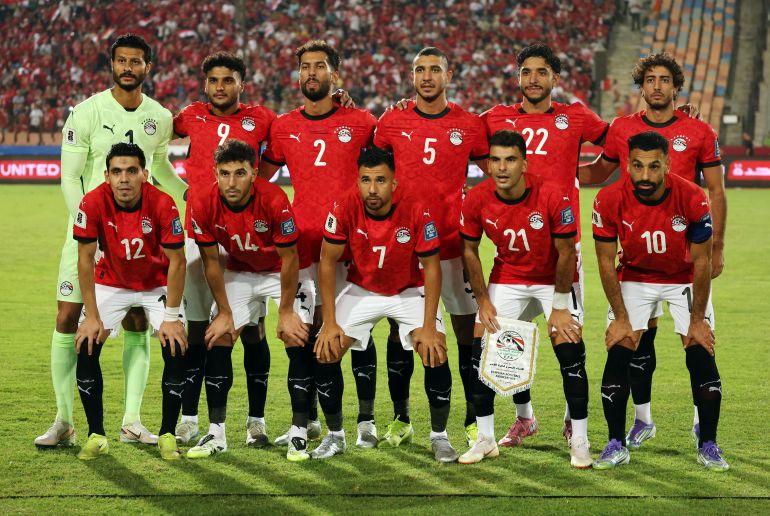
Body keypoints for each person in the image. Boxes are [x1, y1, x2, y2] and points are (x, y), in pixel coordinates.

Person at [36, 33, 188, 449]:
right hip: (88, 235)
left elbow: (162, 170)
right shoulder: (85, 113)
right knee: (68, 317)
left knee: (138, 319)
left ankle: (132, 421)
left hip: (141, 239)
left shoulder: (159, 115)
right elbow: (70, 177)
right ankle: (64, 419)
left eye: (136, 61)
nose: (128, 67)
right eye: (122, 60)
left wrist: (192, 193)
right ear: (112, 65)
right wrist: (91, 229)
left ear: (147, 67)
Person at [580, 53, 726, 448]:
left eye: (664, 79)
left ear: (675, 86)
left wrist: (718, 246)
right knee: (637, 341)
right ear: (641, 86)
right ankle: (642, 420)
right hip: (638, 255)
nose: (657, 86)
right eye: (650, 79)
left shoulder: (698, 130)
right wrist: (553, 166)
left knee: (697, 341)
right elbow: (598, 171)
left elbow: (715, 190)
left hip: (684, 252)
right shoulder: (622, 129)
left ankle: (702, 425)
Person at [480, 43, 608, 448]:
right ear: (518, 78)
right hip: (514, 257)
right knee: (505, 344)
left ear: (555, 78)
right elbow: (448, 126)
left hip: (562, 253)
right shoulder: (497, 118)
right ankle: (525, 418)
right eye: (526, 72)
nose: (533, 79)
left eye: (541, 72)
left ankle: (573, 422)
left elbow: (616, 149)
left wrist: (577, 177)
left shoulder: (575, 117)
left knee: (568, 339)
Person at [259, 40, 379, 448]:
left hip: (353, 246)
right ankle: (308, 420)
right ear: (298, 75)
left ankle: (366, 422)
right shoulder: (282, 126)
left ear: (335, 74)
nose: (312, 73)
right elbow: (261, 178)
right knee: (306, 336)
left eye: (320, 66)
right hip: (303, 247)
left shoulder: (362, 121)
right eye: (305, 67)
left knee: (357, 332)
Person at [591, 131, 727, 471]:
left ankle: (708, 443)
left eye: (654, 166)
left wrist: (697, 319)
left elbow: (701, 262)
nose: (646, 175)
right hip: (635, 276)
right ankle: (615, 443)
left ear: (667, 164)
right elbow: (606, 262)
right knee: (620, 347)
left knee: (700, 350)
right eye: (637, 166)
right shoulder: (607, 199)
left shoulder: (693, 197)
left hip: (682, 277)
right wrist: (621, 317)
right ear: (628, 164)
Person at [374, 47, 488, 447]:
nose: (426, 76)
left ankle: (475, 419)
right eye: (420, 70)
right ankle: (401, 416)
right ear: (411, 76)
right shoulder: (391, 120)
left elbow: (498, 172)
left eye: (434, 70)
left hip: (454, 247)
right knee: (400, 333)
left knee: (466, 336)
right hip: (404, 248)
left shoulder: (469, 125)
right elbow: (373, 171)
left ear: (449, 75)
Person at [314, 147, 457, 463]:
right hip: (362, 289)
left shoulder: (416, 209)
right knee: (326, 349)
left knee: (435, 351)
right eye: (366, 180)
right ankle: (335, 436)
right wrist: (330, 321)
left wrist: (430, 325)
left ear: (394, 182)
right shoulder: (344, 206)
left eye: (380, 180)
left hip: (408, 291)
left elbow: (431, 267)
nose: (373, 188)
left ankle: (439, 437)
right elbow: (327, 261)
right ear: (358, 181)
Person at [458, 130, 591, 467]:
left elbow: (565, 254)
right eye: (496, 160)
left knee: (570, 350)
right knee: (482, 350)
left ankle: (579, 440)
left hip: (554, 280)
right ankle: (486, 438)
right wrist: (484, 300)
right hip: (509, 276)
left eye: (510, 160)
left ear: (524, 164)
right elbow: (469, 251)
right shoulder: (476, 198)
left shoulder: (552, 195)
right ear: (488, 165)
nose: (502, 168)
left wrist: (560, 306)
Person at [173, 51, 276, 448]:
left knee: (251, 329)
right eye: (214, 80)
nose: (220, 87)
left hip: (245, 236)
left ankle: (256, 420)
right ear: (205, 84)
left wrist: (253, 191)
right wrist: (180, 185)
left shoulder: (262, 118)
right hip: (200, 234)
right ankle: (190, 417)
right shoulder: (189, 116)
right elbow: (149, 136)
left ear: (241, 84)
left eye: (228, 80)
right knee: (199, 329)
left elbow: (274, 160)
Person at [187, 139, 313, 461]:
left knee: (296, 334)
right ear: (215, 173)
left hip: (278, 273)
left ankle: (299, 432)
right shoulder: (202, 201)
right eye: (225, 173)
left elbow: (290, 259)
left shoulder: (274, 199)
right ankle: (216, 433)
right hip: (240, 272)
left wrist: (285, 311)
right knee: (218, 336)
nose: (231, 182)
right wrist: (225, 312)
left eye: (240, 173)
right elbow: (211, 263)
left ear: (255, 173)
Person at [72, 143, 187, 460]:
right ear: (107, 175)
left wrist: (172, 316)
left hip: (156, 283)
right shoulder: (93, 201)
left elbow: (178, 261)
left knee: (176, 345)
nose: (124, 179)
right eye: (117, 172)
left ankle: (166, 434)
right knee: (85, 343)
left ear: (145, 174)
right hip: (113, 281)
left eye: (132, 171)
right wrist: (92, 317)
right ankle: (96, 434)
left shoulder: (163, 203)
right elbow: (84, 260)